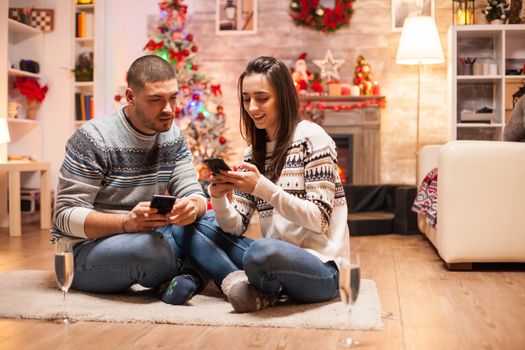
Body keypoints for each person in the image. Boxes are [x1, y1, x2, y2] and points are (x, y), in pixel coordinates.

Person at [173, 56, 350, 313]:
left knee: (261, 250)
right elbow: (236, 226)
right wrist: (220, 196)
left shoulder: (311, 137)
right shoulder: (252, 154)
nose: (252, 107)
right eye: (246, 99)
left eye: (262, 98)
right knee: (187, 226)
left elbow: (318, 219)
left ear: (283, 97)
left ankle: (241, 282)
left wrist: (261, 187)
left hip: (323, 269)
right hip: (273, 258)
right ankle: (238, 283)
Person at [52, 55, 209, 305]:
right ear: (131, 96)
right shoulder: (94, 139)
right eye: (156, 100)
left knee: (210, 219)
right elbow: (64, 217)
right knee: (152, 252)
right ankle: (196, 271)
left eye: (172, 97)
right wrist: (126, 222)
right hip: (88, 251)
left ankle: (194, 274)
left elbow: (194, 191)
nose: (168, 109)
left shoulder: (174, 137)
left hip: (152, 235)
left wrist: (193, 207)